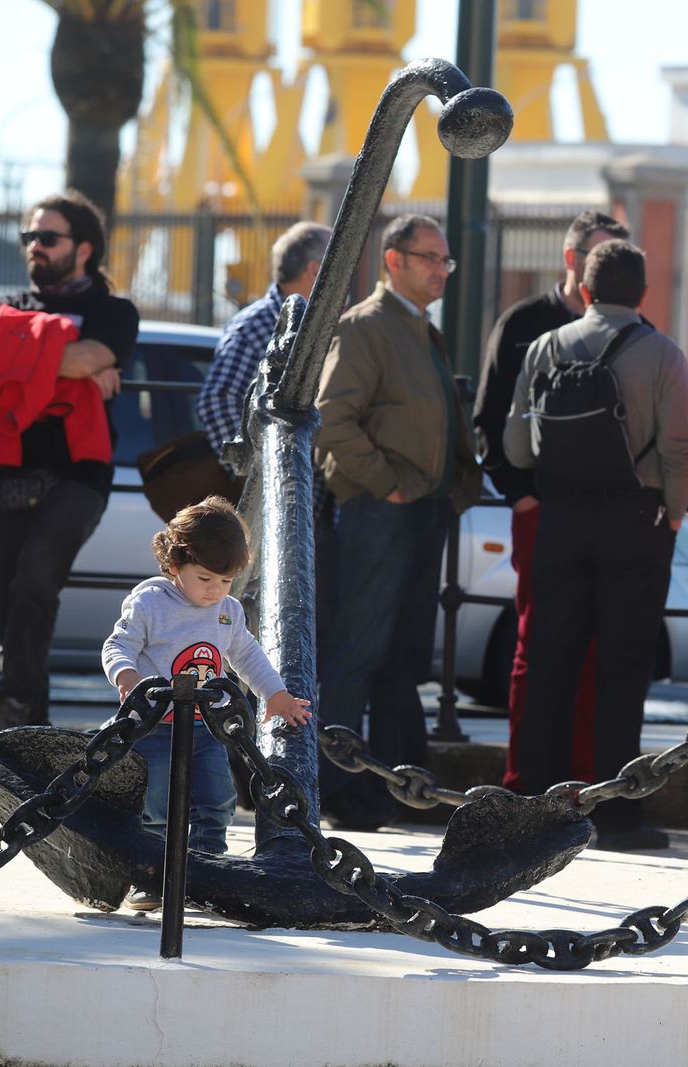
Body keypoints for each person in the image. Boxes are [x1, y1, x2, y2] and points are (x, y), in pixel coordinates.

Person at [503, 239, 688, 851]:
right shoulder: (662, 353)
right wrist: (670, 515)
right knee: (622, 667)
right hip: (635, 521)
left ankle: (535, 804)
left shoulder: (545, 347)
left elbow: (516, 446)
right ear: (642, 294)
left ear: (584, 289)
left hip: (560, 520)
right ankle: (616, 814)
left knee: (548, 662)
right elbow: (681, 449)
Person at [314, 214, 484, 830]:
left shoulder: (417, 329)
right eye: (431, 258)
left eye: (446, 261)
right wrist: (384, 485)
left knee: (398, 659)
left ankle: (386, 789)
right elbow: (332, 419)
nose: (442, 270)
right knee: (357, 655)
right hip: (379, 512)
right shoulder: (365, 327)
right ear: (394, 260)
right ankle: (339, 791)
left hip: (422, 510)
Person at [475, 210, 630, 792]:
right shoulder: (524, 324)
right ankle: (525, 780)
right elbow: (490, 420)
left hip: (609, 519)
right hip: (542, 513)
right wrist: (520, 499)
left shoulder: (630, 328)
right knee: (536, 646)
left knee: (599, 650)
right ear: (572, 260)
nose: (611, 270)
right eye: (600, 257)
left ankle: (588, 780)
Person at [0, 190, 139, 731]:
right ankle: (27, 735)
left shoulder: (113, 312)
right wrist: (62, 363)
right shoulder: (13, 306)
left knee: (36, 581)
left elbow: (90, 355)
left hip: (79, 472)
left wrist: (25, 359)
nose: (34, 247)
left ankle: (12, 715)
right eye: (30, 237)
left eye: (47, 237)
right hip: (8, 469)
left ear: (84, 247)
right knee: (6, 600)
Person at [101, 496, 312, 909]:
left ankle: (205, 872)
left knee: (216, 801)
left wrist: (275, 693)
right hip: (154, 728)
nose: (215, 591)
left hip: (206, 728)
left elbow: (246, 655)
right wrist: (127, 676)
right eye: (205, 579)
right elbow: (118, 645)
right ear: (175, 565)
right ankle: (151, 876)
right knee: (154, 805)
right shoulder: (150, 603)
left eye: (226, 581)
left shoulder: (227, 612)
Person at [196, 221, 332, 459]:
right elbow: (216, 402)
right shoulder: (253, 326)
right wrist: (253, 472)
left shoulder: (319, 322)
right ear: (314, 270)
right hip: (275, 488)